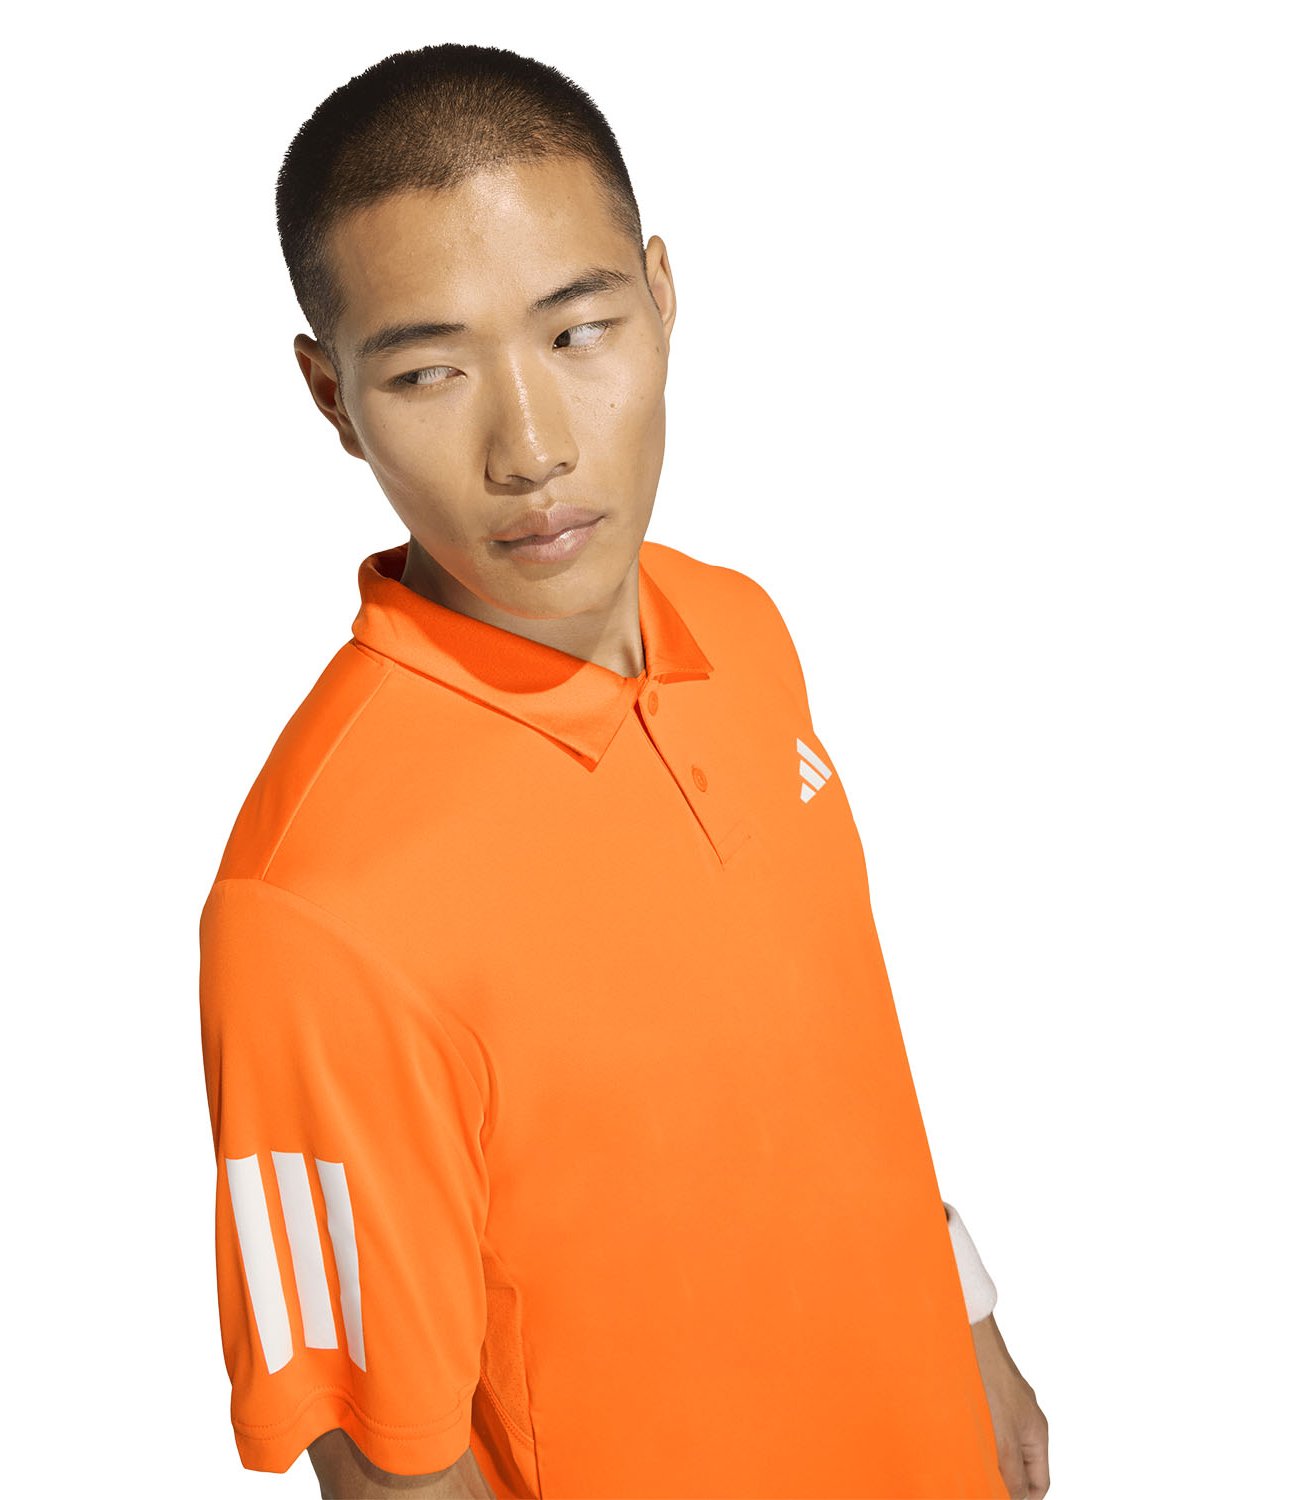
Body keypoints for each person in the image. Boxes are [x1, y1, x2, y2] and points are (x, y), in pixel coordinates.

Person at [197, 41, 1049, 1500]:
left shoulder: (738, 624)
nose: (531, 450)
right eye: (429, 371)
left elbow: (826, 1037)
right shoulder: (311, 910)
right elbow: (388, 1461)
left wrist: (964, 1318)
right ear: (332, 398)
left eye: (579, 333)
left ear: (661, 296)